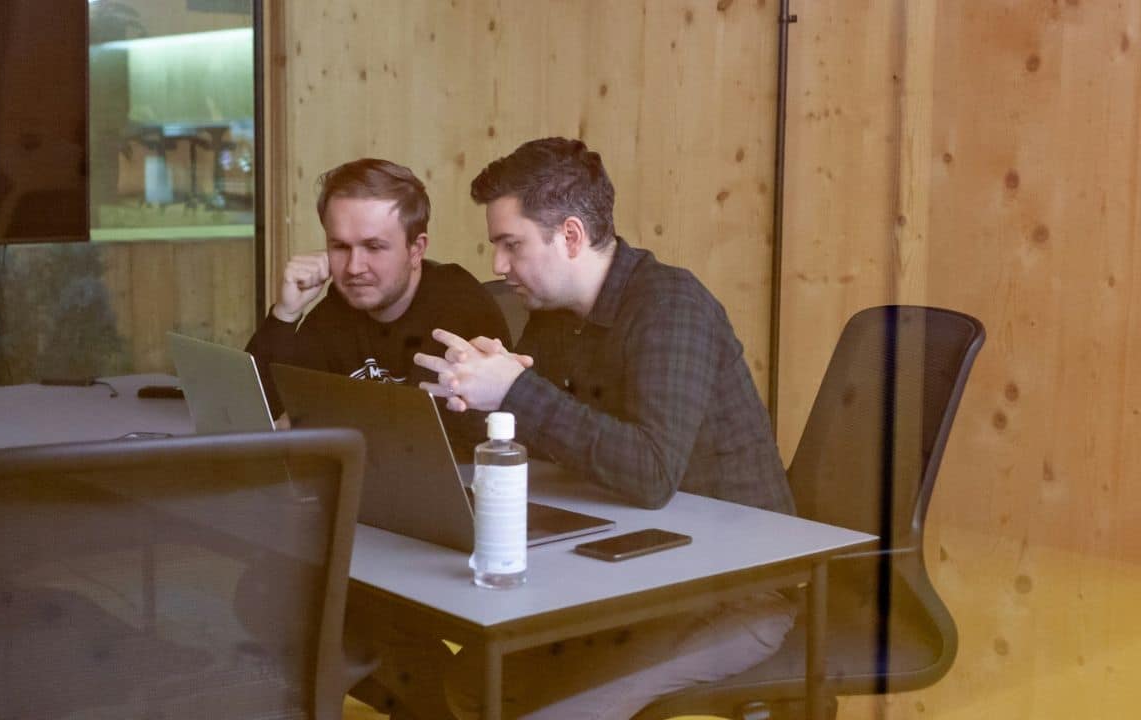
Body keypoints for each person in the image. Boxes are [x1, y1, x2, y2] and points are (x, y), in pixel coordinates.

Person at [414, 137, 797, 720]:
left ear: (570, 236)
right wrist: (481, 396)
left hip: (731, 587)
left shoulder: (671, 305)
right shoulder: (552, 318)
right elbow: (542, 437)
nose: (496, 266)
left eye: (510, 244)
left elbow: (650, 473)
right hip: (625, 567)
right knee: (474, 684)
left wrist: (517, 392)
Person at [244, 157, 509, 457]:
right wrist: (285, 314)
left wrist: (324, 424)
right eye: (340, 247)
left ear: (416, 249)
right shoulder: (335, 310)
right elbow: (256, 414)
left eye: (374, 247)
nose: (354, 268)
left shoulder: (460, 306)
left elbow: (434, 436)